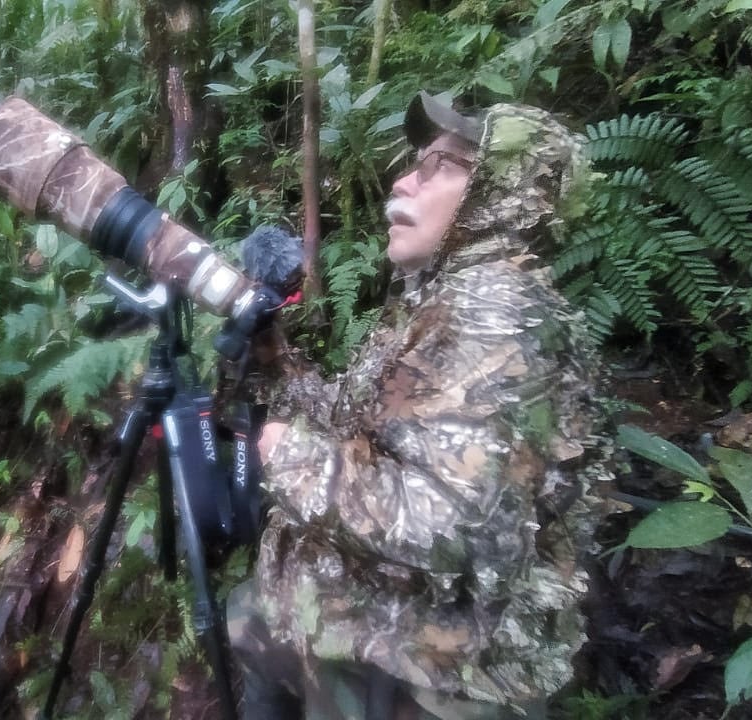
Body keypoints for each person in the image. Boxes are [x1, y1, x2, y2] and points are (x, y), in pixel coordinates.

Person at [228, 93, 611, 719]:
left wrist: (285, 454)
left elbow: (444, 525)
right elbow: (363, 428)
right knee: (248, 617)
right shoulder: (449, 300)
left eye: (441, 165)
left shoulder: (497, 317)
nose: (403, 180)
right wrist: (275, 358)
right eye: (416, 160)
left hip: (435, 678)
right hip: (384, 626)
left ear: (502, 191)